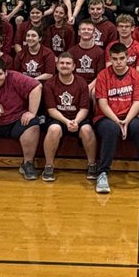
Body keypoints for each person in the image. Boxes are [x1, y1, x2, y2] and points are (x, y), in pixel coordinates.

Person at [93, 42, 139, 194]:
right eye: (115, 59)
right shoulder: (103, 75)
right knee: (111, 129)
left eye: (121, 58)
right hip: (106, 117)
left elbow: (137, 102)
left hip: (128, 116)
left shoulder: (135, 75)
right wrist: (117, 121)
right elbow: (102, 103)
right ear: (110, 58)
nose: (118, 62)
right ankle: (103, 173)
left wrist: (126, 121)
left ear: (127, 57)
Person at [41, 52, 98, 182]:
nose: (64, 66)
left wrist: (76, 122)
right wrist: (67, 122)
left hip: (78, 117)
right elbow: (51, 110)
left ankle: (92, 165)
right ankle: (49, 166)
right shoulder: (50, 84)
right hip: (58, 118)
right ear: (56, 65)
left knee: (87, 130)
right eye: (61, 63)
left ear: (73, 67)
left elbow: (84, 109)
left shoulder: (82, 83)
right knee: (54, 129)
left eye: (68, 63)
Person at [69, 19, 106, 89]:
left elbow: (100, 75)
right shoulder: (71, 52)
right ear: (79, 32)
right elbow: (69, 73)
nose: (86, 31)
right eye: (83, 29)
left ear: (94, 33)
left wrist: (88, 88)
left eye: (89, 29)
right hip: (75, 86)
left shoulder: (100, 52)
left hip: (92, 86)